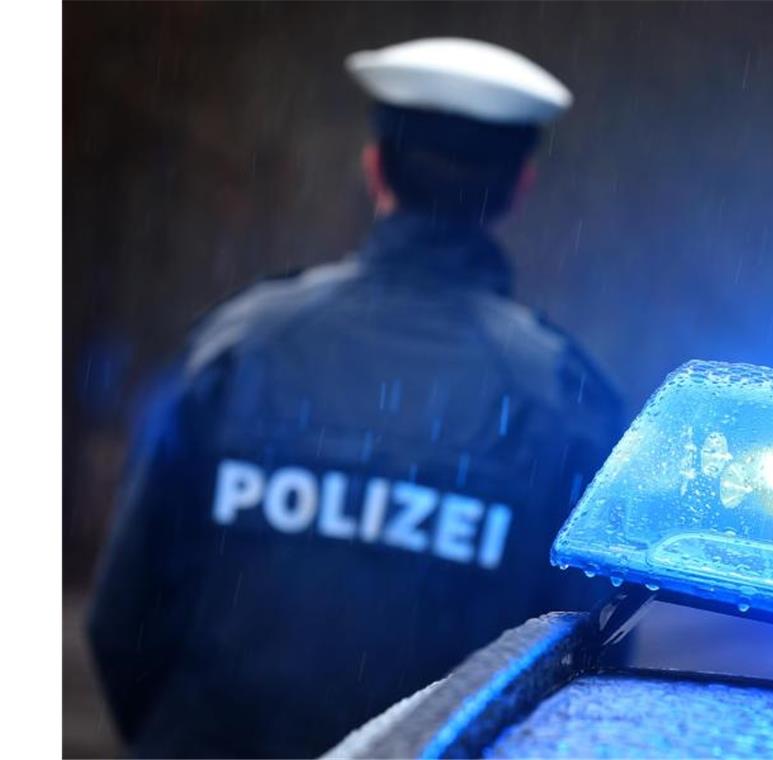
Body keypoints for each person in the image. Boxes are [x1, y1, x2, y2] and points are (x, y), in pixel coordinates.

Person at [87, 37, 624, 758]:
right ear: (519, 187)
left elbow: (124, 615)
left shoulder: (240, 346)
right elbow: (578, 664)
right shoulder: (566, 399)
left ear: (375, 168)